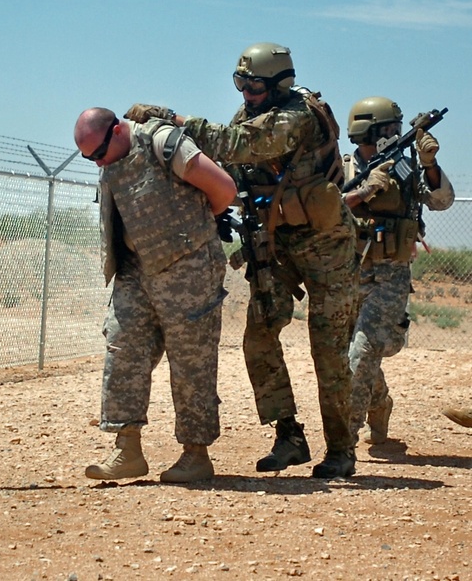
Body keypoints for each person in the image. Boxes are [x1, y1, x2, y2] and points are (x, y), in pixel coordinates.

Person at [126, 42, 360, 478]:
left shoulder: (298, 116)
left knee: (327, 349)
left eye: (253, 85)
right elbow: (232, 166)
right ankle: (289, 436)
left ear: (278, 84)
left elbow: (239, 145)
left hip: (327, 244)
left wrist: (174, 121)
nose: (246, 93)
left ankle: (342, 450)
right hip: (276, 243)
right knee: (259, 338)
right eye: (240, 83)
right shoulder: (247, 114)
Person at [75, 106, 236, 483]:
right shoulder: (111, 160)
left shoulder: (161, 143)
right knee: (122, 347)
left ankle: (196, 455)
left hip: (188, 270)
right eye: (89, 159)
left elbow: (224, 190)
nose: (98, 164)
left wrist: (191, 232)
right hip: (135, 270)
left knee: (191, 361)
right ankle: (126, 449)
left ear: (117, 132)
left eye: (99, 153)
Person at [341, 97, 455, 444]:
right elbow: (326, 207)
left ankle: (344, 440)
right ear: (368, 130)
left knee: (364, 348)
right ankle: (380, 403)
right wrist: (364, 190)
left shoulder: (405, 168)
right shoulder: (340, 167)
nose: (396, 134)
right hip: (349, 271)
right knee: (351, 351)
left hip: (391, 273)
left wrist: (429, 163)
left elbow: (441, 201)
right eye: (390, 128)